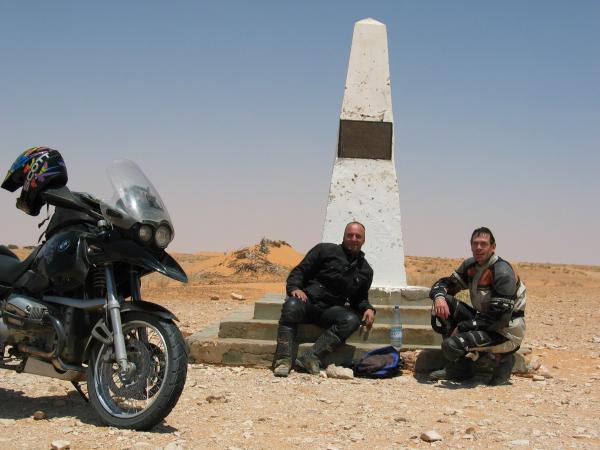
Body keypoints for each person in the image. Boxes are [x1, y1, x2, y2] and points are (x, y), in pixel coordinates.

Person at [272, 222, 376, 377]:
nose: (354, 239)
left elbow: (359, 298)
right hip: (307, 303)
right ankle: (283, 360)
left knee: (351, 320)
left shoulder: (365, 270)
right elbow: (300, 271)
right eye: (350, 235)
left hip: (329, 311)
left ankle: (311, 356)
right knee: (292, 305)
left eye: (358, 236)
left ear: (364, 240)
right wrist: (295, 288)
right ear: (344, 237)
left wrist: (367, 308)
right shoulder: (324, 250)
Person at [429, 227, 526, 385]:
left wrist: (463, 327)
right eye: (475, 244)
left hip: (505, 330)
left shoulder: (502, 272)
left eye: (483, 244)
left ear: (493, 247)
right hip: (485, 321)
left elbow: (499, 318)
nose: (478, 247)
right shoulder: (471, 266)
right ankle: (460, 368)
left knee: (451, 345)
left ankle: (502, 361)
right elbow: (447, 283)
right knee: (445, 302)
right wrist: (439, 297)